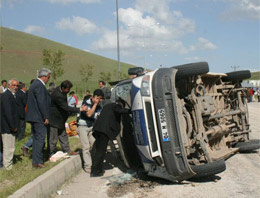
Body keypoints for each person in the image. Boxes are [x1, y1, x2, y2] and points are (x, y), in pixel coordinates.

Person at [90, 98, 131, 177]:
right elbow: (119, 110)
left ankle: (95, 169)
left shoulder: (107, 106)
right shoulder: (116, 106)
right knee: (101, 152)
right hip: (104, 131)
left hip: (97, 130)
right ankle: (96, 172)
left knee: (98, 151)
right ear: (121, 104)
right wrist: (130, 111)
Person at [48, 80, 87, 157]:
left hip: (60, 119)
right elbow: (65, 107)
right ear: (63, 88)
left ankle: (67, 150)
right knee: (53, 138)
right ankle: (51, 153)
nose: (68, 91)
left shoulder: (62, 91)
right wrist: (79, 109)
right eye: (67, 89)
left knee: (63, 135)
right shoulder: (57, 95)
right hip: (54, 119)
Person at [25, 68, 52, 168]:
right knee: (40, 139)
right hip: (38, 117)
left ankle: (36, 161)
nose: (48, 79)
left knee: (36, 139)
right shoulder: (39, 85)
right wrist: (46, 116)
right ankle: (38, 161)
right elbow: (42, 102)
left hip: (34, 116)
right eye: (48, 77)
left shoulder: (34, 84)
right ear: (44, 76)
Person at [78, 89, 104, 173]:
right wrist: (95, 104)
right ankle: (88, 166)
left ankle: (95, 163)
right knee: (86, 147)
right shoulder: (86, 102)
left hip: (91, 127)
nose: (100, 101)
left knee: (95, 145)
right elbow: (89, 114)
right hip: (82, 126)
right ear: (95, 97)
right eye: (99, 99)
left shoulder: (99, 107)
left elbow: (98, 116)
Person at [0, 79, 19, 170]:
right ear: (9, 85)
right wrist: (12, 126)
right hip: (7, 127)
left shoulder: (11, 95)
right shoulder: (6, 96)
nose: (15, 87)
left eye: (17, 86)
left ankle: (8, 164)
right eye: (14, 85)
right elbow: (8, 113)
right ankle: (7, 166)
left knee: (11, 146)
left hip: (9, 126)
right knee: (8, 147)